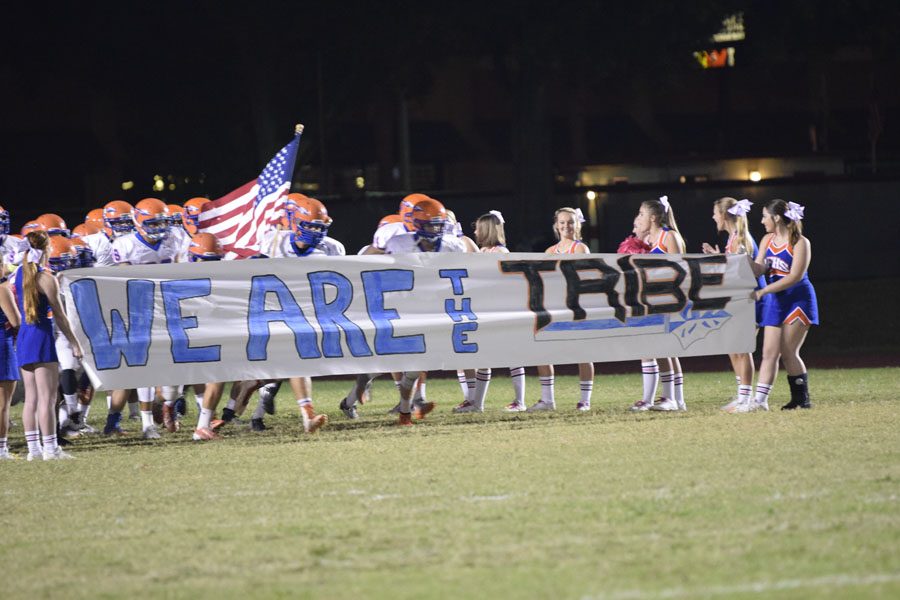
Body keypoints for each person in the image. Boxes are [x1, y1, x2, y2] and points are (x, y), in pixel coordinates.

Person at [740, 199, 818, 412]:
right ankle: (760, 401)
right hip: (776, 299)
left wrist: (764, 291)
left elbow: (794, 277)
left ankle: (802, 398)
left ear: (776, 218)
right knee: (768, 352)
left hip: (797, 299)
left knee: (789, 350)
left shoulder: (801, 242)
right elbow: (759, 269)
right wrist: (743, 257)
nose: (762, 220)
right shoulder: (767, 239)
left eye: (765, 216)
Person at [16, 231, 83, 460]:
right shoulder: (45, 277)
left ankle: (33, 450)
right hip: (42, 335)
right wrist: (74, 343)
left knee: (31, 398)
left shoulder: (19, 273)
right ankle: (50, 449)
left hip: (24, 335)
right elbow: (61, 317)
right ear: (47, 250)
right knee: (48, 398)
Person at [453, 210, 528, 413]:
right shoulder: (484, 251)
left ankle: (519, 401)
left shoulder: (500, 252)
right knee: (482, 357)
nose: (475, 230)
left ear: (486, 229)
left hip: (502, 309)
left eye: (478, 227)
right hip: (485, 309)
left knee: (511, 354)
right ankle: (476, 403)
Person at [528, 207, 595, 412]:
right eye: (563, 222)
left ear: (578, 225)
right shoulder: (550, 251)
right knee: (543, 350)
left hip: (576, 306)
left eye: (570, 222)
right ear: (556, 225)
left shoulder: (580, 249)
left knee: (582, 353)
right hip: (555, 306)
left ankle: (585, 400)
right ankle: (547, 400)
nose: (566, 226)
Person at [701, 198, 764, 412]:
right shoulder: (733, 238)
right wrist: (717, 257)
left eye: (715, 213)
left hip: (749, 298)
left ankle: (747, 399)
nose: (713, 217)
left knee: (742, 348)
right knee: (733, 348)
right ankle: (741, 396)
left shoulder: (740, 239)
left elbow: (744, 272)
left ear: (724, 215)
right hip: (738, 299)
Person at [629, 196, 688, 412]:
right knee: (664, 351)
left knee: (653, 348)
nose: (639, 217)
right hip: (653, 298)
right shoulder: (651, 241)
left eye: (642, 214)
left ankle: (662, 399)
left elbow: (680, 270)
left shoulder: (668, 236)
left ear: (653, 218)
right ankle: (676, 399)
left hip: (667, 299)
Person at [0, 253, 21, 459]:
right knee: (2, 404)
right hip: (2, 345)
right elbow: (16, 321)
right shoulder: (2, 289)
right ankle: (1, 449)